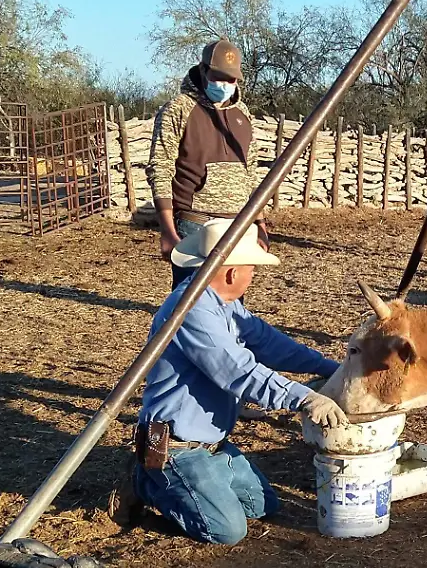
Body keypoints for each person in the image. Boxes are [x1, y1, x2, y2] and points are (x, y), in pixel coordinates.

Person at [109, 219, 349, 544]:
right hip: (178, 446)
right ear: (233, 272)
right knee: (226, 530)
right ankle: (146, 482)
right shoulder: (191, 311)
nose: (253, 275)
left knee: (262, 504)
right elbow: (239, 373)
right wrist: (304, 398)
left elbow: (270, 344)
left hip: (212, 443)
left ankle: (201, 479)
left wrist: (329, 368)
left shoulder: (224, 304)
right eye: (251, 267)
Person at [146, 39, 263, 286]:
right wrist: (167, 229)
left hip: (237, 226)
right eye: (218, 76)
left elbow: (251, 174)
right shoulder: (178, 110)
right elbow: (160, 167)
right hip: (195, 226)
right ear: (203, 70)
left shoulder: (243, 114)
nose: (225, 84)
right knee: (191, 305)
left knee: (231, 304)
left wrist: (260, 223)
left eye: (231, 79)